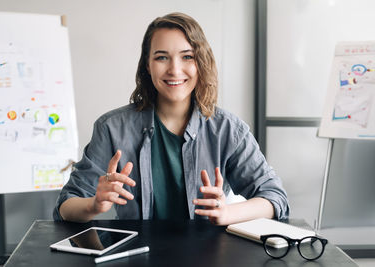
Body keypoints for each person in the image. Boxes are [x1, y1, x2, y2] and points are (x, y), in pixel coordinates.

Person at [53, 12, 289, 225]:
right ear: (147, 65)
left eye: (187, 57)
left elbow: (275, 198)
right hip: (136, 256)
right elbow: (66, 205)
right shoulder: (112, 128)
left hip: (208, 256)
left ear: (201, 62)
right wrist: (94, 204)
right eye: (162, 57)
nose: (175, 70)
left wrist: (227, 212)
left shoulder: (228, 129)